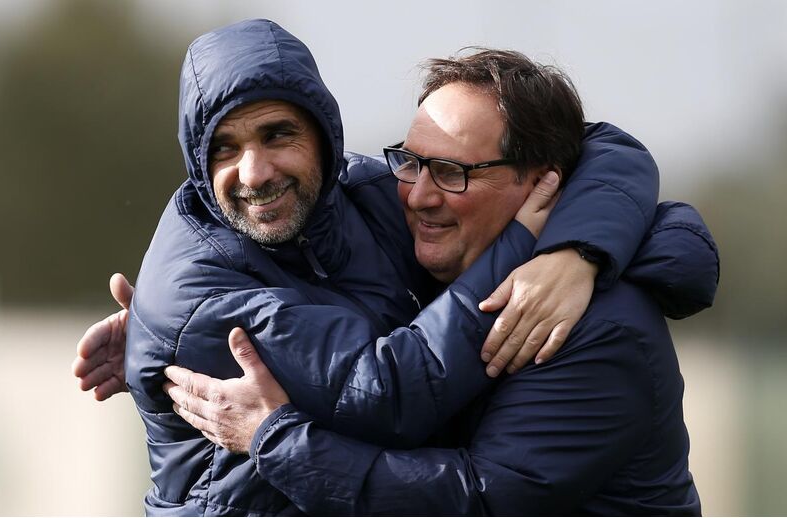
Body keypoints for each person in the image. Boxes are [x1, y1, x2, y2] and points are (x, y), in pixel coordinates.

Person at [71, 20, 717, 515]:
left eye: (452, 171)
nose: (418, 194)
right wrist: (165, 331)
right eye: (411, 162)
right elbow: (387, 389)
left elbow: (477, 501)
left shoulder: (596, 331)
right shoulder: (393, 223)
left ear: (544, 182)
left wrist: (575, 255)